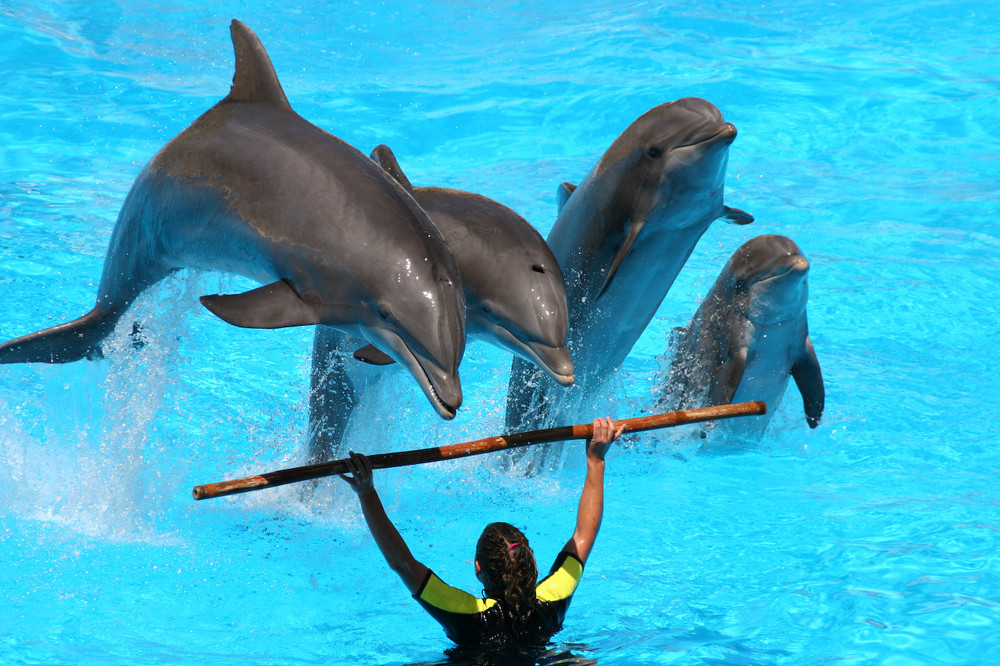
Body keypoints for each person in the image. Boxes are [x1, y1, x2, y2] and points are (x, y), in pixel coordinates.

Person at [339, 416, 626, 651]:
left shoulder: (467, 613)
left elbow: (401, 563)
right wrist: (596, 460)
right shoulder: (553, 598)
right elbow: (583, 534)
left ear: (478, 567)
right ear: (530, 562)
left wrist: (366, 492)